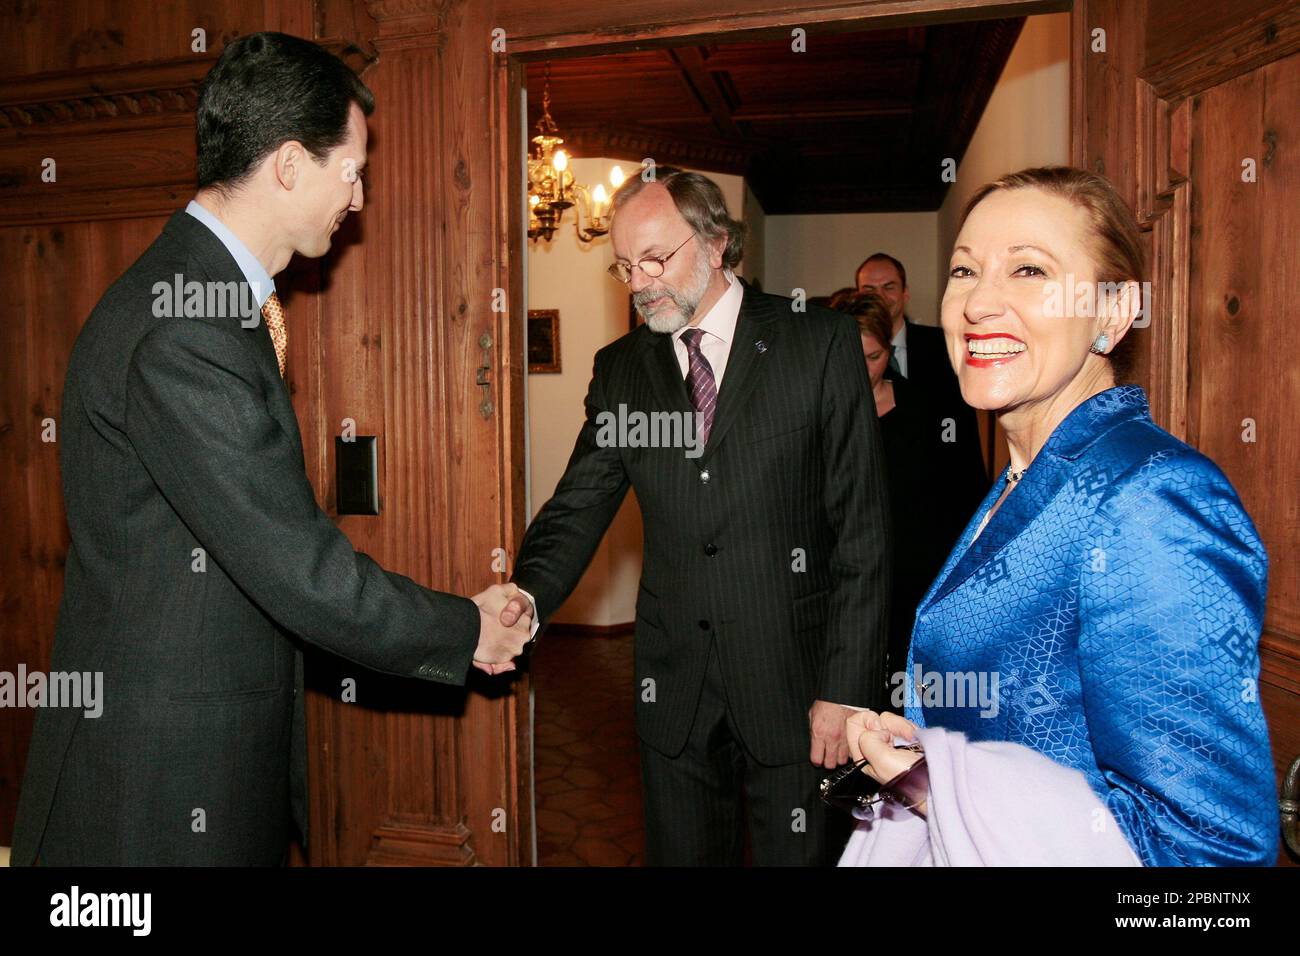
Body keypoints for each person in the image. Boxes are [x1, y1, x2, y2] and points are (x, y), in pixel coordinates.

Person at [11, 32, 532, 867]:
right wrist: (463, 627)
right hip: (157, 787)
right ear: (290, 164)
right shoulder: (188, 326)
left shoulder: (207, 300)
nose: (358, 198)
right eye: (351, 170)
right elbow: (299, 568)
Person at [838, 166, 1278, 866]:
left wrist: (931, 789)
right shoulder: (1024, 479)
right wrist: (928, 758)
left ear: (1113, 311)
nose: (980, 302)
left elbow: (1209, 853)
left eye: (1029, 270)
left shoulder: (1152, 500)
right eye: (964, 270)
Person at [485, 167, 892, 865]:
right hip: (672, 689)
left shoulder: (815, 345)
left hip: (795, 687)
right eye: (623, 266)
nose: (640, 283)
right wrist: (523, 594)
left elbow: (862, 533)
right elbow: (579, 503)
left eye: (655, 259)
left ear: (717, 242)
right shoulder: (622, 370)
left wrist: (846, 690)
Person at [835, 292, 983, 687]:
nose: (864, 371)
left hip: (918, 581)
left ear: (890, 351)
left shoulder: (929, 409)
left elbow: (966, 493)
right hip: (846, 588)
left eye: (874, 357)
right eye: (852, 356)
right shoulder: (819, 418)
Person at [856, 252, 988, 496]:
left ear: (905, 292)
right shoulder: (845, 355)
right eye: (869, 289)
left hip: (943, 497)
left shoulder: (947, 346)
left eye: (889, 287)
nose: (880, 297)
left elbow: (964, 436)